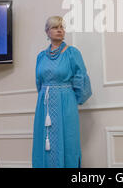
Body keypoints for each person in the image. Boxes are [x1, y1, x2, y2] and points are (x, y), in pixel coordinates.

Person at [32, 16, 92, 168]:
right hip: (44, 105)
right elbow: (39, 82)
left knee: (68, 139)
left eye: (61, 27)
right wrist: (46, 95)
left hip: (66, 103)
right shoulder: (41, 56)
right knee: (45, 140)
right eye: (55, 27)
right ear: (47, 32)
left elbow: (81, 77)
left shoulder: (72, 53)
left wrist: (74, 99)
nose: (59, 30)